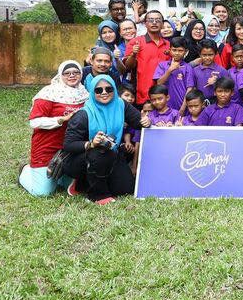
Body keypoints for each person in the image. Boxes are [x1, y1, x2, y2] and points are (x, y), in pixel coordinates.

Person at [62, 75, 150, 204]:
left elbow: (138, 122)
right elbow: (69, 145)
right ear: (92, 92)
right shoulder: (84, 114)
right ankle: (97, 195)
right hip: (80, 160)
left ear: (114, 89)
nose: (104, 93)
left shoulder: (121, 105)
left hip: (111, 153)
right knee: (99, 152)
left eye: (109, 89)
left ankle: (83, 184)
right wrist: (91, 144)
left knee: (126, 189)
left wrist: (146, 121)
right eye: (99, 90)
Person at [19, 61, 90, 196]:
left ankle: (61, 177)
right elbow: (34, 122)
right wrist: (61, 119)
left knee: (76, 185)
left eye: (76, 72)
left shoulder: (85, 94)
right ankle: (25, 170)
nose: (72, 76)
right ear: (60, 75)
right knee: (42, 192)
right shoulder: (49, 93)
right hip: (47, 146)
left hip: (71, 147)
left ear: (81, 74)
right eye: (67, 73)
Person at [123, 10, 171, 105]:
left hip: (164, 95)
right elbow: (128, 66)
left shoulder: (168, 44)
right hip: (143, 95)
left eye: (158, 20)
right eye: (151, 20)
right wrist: (133, 54)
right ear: (145, 23)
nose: (154, 22)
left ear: (162, 24)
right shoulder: (136, 42)